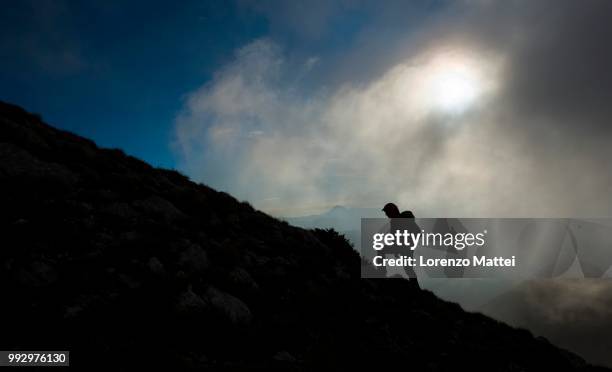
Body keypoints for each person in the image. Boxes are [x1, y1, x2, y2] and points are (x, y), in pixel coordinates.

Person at [381, 203, 419, 280]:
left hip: (406, 247)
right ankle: (381, 272)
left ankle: (381, 273)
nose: (386, 214)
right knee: (408, 269)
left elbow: (418, 232)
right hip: (402, 247)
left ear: (392, 211)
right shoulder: (394, 222)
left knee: (408, 269)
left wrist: (408, 245)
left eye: (387, 212)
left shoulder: (402, 219)